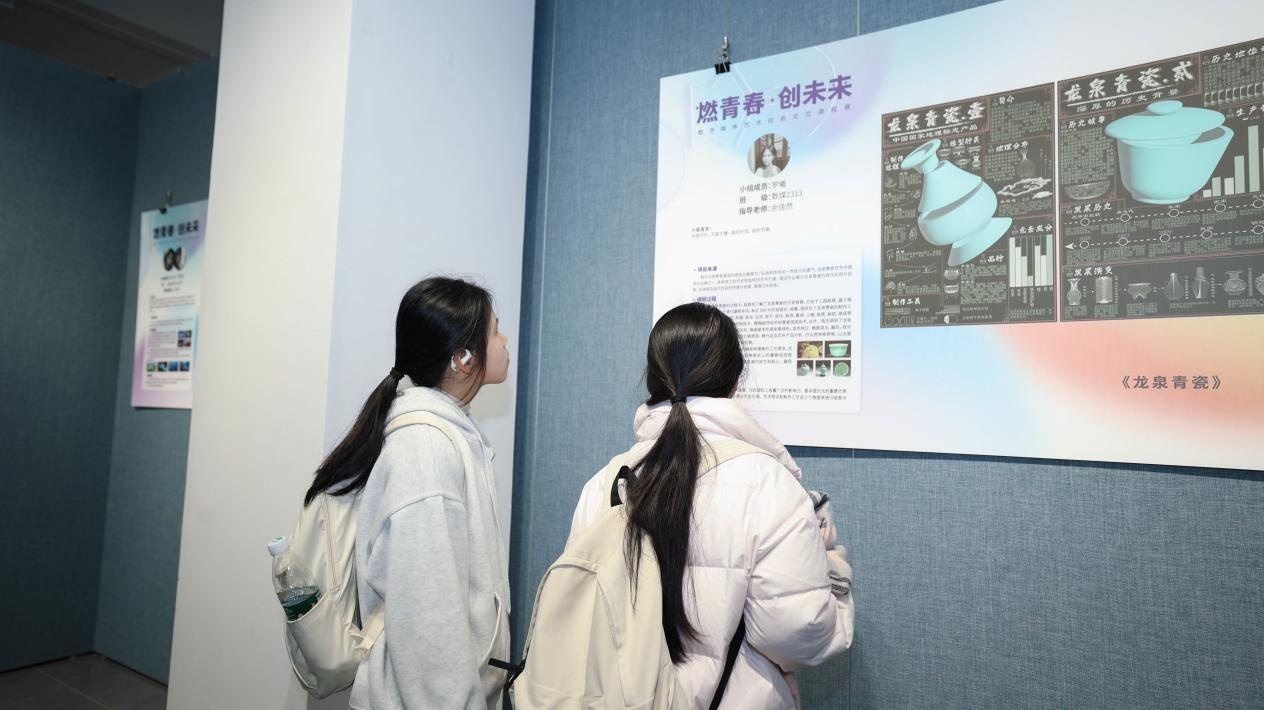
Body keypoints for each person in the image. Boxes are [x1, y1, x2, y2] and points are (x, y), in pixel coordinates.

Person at [567, 303, 853, 709]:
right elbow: (797, 636)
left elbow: (582, 611)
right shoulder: (769, 484)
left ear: (654, 377)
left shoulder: (606, 482)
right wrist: (834, 574)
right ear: (735, 381)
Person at [304, 276, 512, 710]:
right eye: (495, 331)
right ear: (463, 358)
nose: (504, 339)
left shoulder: (448, 437)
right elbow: (428, 622)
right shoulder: (426, 452)